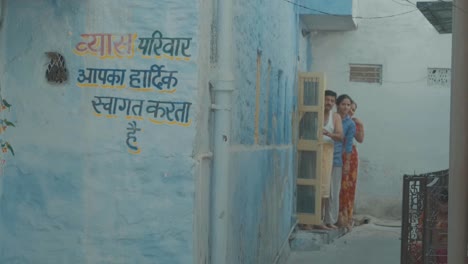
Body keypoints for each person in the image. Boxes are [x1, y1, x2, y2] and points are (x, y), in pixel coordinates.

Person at [324, 94, 356, 229]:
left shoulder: (350, 124)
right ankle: (319, 218)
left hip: (337, 159)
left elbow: (348, 145)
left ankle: (330, 220)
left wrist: (347, 163)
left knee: (334, 190)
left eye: (348, 105)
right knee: (324, 189)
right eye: (343, 104)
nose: (346, 107)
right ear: (338, 105)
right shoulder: (331, 117)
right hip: (324, 155)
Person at [315, 90, 343, 230]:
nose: (329, 103)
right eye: (327, 100)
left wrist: (328, 133)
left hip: (327, 152)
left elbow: (340, 136)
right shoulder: (314, 111)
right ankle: (310, 220)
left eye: (332, 101)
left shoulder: (335, 116)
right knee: (311, 185)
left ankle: (320, 220)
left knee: (324, 187)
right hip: (313, 150)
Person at [338, 100, 365, 231]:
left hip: (350, 156)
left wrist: (360, 125)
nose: (351, 111)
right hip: (337, 153)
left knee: (349, 186)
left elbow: (360, 139)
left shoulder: (353, 122)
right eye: (349, 107)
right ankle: (337, 216)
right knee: (339, 185)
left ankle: (347, 216)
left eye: (353, 109)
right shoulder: (337, 119)